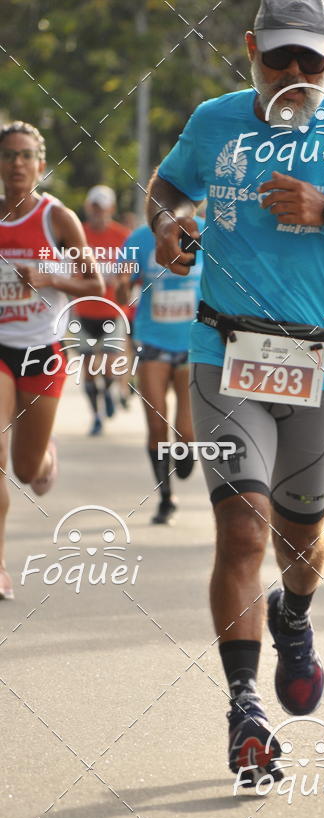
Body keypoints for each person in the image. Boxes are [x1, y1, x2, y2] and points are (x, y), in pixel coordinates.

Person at [147, 0, 324, 781]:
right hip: (223, 352)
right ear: (251, 50)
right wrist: (167, 226)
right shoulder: (213, 123)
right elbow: (166, 190)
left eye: (314, 61)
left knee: (297, 542)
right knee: (243, 532)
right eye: (282, 60)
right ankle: (245, 709)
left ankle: (295, 614)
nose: (297, 76)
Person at [0, 121, 104, 599]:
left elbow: (95, 286)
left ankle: (44, 454)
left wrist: (48, 278)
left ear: (40, 166)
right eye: (8, 155)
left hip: (43, 352)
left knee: (26, 470)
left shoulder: (56, 218)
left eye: (25, 156)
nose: (17, 163)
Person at [115, 216, 204, 525]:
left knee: (187, 432)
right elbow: (121, 284)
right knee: (156, 425)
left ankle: (186, 451)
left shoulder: (206, 231)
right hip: (152, 341)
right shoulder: (138, 239)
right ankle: (166, 498)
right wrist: (124, 286)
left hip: (193, 343)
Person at [79, 185, 130, 435]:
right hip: (84, 311)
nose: (99, 212)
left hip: (112, 310)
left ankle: (110, 391)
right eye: (95, 207)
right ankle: (96, 415)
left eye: (103, 207)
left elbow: (130, 270)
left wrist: (122, 280)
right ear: (90, 207)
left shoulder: (122, 236)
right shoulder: (79, 234)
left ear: (111, 208)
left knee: (109, 366)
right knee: (88, 370)